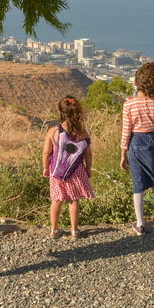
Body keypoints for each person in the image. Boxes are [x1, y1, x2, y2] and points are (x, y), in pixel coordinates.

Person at [119, 61, 154, 235]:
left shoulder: (129, 104)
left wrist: (123, 153)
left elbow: (126, 131)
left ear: (136, 83)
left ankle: (140, 224)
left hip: (135, 144)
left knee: (138, 184)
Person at [43, 96, 95, 239]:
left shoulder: (53, 131)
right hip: (76, 171)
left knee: (56, 200)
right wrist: (88, 169)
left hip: (56, 171)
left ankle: (54, 230)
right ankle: (74, 230)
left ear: (60, 112)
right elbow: (88, 153)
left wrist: (45, 168)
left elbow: (47, 152)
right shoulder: (82, 132)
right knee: (74, 200)